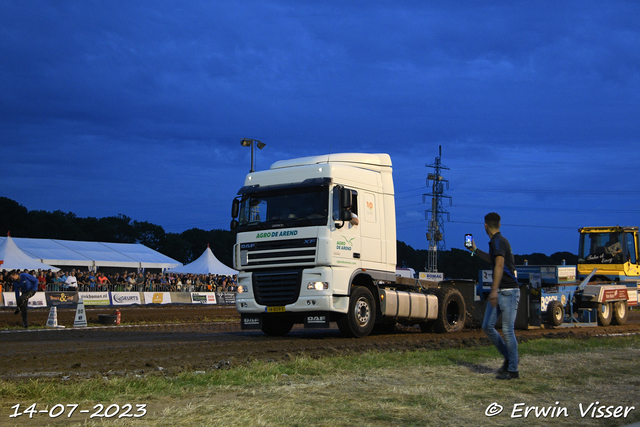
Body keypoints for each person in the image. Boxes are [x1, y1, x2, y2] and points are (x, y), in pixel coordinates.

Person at [468, 212, 520, 380]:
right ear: (499, 224)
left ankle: (513, 370)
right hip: (503, 290)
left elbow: (499, 265)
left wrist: (494, 290)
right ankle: (509, 358)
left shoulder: (498, 242)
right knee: (487, 326)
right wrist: (475, 250)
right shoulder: (497, 242)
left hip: (508, 291)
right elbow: (493, 260)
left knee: (507, 330)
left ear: (485, 225)